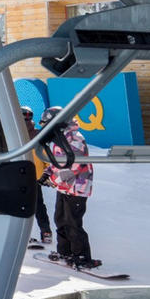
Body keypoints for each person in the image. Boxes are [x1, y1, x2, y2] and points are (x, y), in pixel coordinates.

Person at [39, 107, 98, 268]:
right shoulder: (59, 137)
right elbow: (57, 160)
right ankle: (65, 252)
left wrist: (54, 179)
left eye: (46, 124)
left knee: (73, 222)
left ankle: (82, 256)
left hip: (77, 187)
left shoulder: (74, 138)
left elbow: (75, 164)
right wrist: (47, 173)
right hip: (64, 187)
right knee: (60, 220)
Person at [21, 106, 53, 244]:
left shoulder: (15, 131)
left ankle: (22, 234)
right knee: (38, 204)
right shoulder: (38, 134)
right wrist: (47, 172)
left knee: (20, 205)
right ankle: (46, 232)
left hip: (20, 174)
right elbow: (46, 155)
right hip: (34, 175)